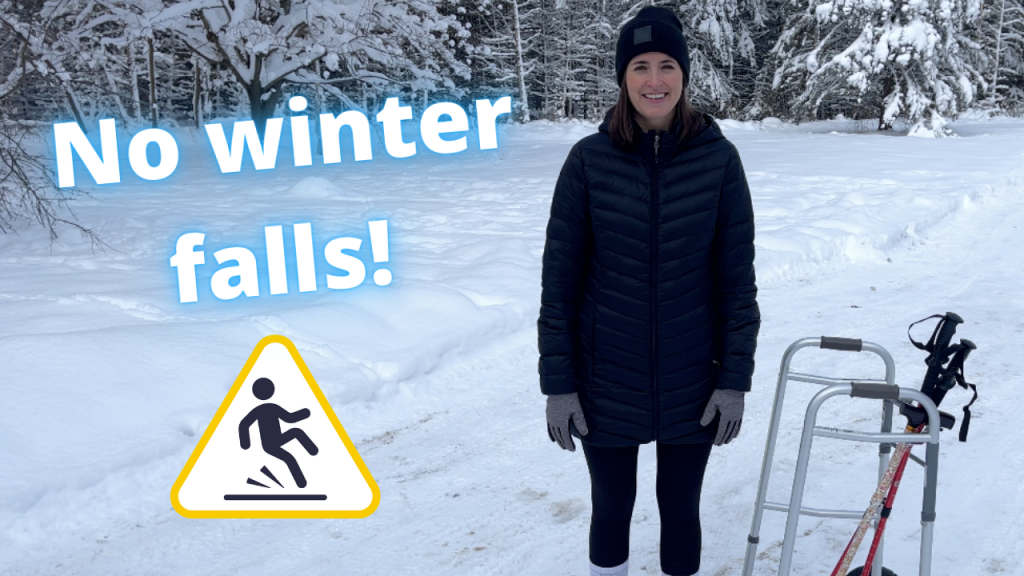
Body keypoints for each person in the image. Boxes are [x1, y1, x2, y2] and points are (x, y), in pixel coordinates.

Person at [537, 7, 760, 576]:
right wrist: (559, 386)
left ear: (684, 75)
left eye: (666, 65)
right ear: (623, 77)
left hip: (694, 379)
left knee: (680, 510)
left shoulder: (719, 160)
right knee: (611, 509)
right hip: (604, 379)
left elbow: (737, 283)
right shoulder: (588, 161)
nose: (654, 80)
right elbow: (559, 284)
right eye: (639, 66)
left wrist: (733, 380)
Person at [239, 377, 319, 488]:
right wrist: (245, 444)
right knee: (289, 458)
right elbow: (244, 425)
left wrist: (304, 413)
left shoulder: (272, 407)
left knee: (296, 431)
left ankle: (313, 450)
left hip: (279, 438)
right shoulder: (261, 410)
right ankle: (301, 483)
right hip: (269, 445)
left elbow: (289, 418)